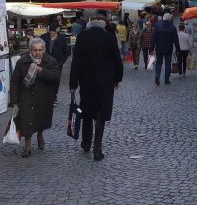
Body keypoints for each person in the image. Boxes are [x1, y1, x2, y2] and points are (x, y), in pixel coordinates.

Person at [69, 16, 123, 161]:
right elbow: (117, 60)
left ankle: (86, 143)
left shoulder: (82, 37)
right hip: (105, 82)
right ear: (102, 26)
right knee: (101, 115)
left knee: (87, 112)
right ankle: (97, 148)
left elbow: (76, 61)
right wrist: (118, 78)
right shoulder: (109, 37)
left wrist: (73, 83)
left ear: (90, 25)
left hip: (87, 82)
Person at [10, 37, 60, 157]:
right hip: (26, 96)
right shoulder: (22, 62)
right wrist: (14, 100)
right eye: (35, 50)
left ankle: (40, 134)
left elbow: (55, 76)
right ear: (30, 50)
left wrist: (41, 71)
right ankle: (28, 147)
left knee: (40, 119)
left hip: (44, 96)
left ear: (44, 50)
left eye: (40, 50)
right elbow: (15, 81)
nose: (38, 53)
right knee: (27, 121)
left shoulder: (51, 61)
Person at [41, 24, 70, 104]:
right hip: (45, 63)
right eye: (50, 31)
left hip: (57, 64)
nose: (51, 32)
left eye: (53, 31)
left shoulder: (62, 39)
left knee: (55, 80)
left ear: (57, 30)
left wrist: (62, 62)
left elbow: (67, 52)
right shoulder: (43, 37)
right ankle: (46, 96)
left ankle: (54, 97)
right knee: (45, 79)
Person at [151, 12, 180, 86]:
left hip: (159, 48)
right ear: (170, 19)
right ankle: (166, 80)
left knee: (158, 63)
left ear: (163, 18)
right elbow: (176, 40)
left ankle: (157, 75)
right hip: (168, 49)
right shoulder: (172, 27)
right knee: (167, 65)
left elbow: (154, 38)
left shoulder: (157, 25)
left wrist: (152, 48)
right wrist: (177, 49)